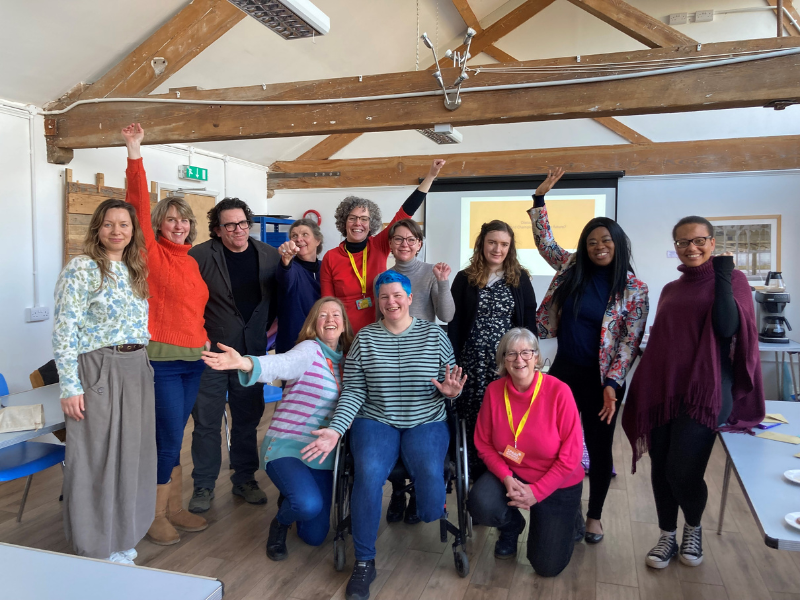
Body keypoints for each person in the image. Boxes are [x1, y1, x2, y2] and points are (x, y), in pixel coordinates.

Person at [301, 270, 466, 600]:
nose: (391, 302)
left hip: (425, 420)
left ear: (409, 299)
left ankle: (436, 509)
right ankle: (364, 561)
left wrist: (451, 393)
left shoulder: (435, 337)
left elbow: (450, 385)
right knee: (369, 473)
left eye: (397, 295)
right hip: (376, 419)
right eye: (384, 297)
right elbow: (353, 391)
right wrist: (336, 429)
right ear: (378, 302)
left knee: (431, 492)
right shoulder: (365, 338)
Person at [622, 216, 765, 569]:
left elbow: (727, 325)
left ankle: (693, 528)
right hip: (665, 388)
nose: (691, 248)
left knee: (682, 470)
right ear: (676, 248)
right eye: (683, 242)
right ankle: (667, 534)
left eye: (699, 240)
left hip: (708, 391)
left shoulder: (734, 280)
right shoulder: (671, 289)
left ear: (712, 243)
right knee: (660, 466)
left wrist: (723, 272)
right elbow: (665, 341)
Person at [528, 168, 649, 544]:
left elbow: (629, 342)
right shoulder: (571, 268)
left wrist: (613, 384)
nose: (599, 246)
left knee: (598, 448)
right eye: (592, 241)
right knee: (555, 441)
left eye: (606, 241)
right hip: (564, 371)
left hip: (603, 384)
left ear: (617, 244)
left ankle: (594, 515)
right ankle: (559, 504)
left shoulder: (634, 289)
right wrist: (538, 200)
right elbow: (546, 243)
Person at [201, 297, 353, 561]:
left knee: (314, 537)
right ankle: (280, 523)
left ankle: (292, 498)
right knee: (307, 505)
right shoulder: (308, 350)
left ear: (344, 324)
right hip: (288, 445)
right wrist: (246, 363)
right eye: (322, 315)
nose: (330, 320)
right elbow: (281, 363)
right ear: (313, 324)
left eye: (336, 315)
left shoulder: (348, 361)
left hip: (321, 455)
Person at [121, 124, 211, 545]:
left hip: (193, 360)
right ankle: (156, 513)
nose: (178, 225)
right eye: (170, 219)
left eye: (183, 220)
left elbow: (193, 308)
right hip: (162, 361)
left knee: (177, 435)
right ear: (158, 225)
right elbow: (137, 205)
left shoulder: (191, 262)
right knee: (167, 436)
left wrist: (204, 336)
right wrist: (135, 152)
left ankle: (174, 505)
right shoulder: (150, 253)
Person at [52, 197, 154, 564]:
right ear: (97, 228)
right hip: (98, 366)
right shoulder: (81, 268)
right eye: (109, 224)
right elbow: (64, 329)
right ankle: (95, 544)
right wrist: (70, 386)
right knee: (96, 457)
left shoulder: (135, 268)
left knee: (133, 454)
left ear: (132, 230)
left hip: (137, 366)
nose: (116, 231)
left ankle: (123, 535)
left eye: (124, 225)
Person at [187, 197, 280, 513]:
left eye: (242, 223)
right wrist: (195, 338)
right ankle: (203, 485)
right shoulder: (198, 256)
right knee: (207, 422)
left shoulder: (268, 255)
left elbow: (276, 302)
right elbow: (186, 302)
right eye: (230, 225)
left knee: (247, 420)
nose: (238, 230)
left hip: (249, 354)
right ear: (217, 229)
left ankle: (244, 479)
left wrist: (268, 340)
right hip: (210, 355)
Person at [467, 328, 584, 576]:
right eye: (511, 354)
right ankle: (512, 526)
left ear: (537, 357)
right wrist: (506, 477)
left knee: (547, 567)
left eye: (526, 353)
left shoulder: (559, 392)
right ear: (503, 360)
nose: (519, 360)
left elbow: (570, 457)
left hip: (556, 480)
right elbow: (483, 443)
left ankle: (569, 516)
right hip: (513, 473)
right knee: (481, 504)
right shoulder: (494, 391)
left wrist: (537, 492)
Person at [375, 218, 455, 524]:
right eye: (398, 239)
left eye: (411, 239)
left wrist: (443, 282)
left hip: (422, 359)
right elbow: (379, 317)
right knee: (390, 421)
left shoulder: (432, 272)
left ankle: (417, 495)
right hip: (390, 362)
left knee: (417, 430)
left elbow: (446, 315)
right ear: (391, 244)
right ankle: (397, 493)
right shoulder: (383, 277)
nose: (404, 244)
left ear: (419, 243)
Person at [448, 220, 537, 479]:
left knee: (505, 417)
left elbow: (528, 324)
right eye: (492, 242)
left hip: (507, 364)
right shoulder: (464, 278)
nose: (498, 249)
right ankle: (472, 472)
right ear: (482, 244)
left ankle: (505, 471)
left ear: (510, 248)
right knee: (474, 416)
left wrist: (529, 359)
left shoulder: (520, 279)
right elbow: (453, 325)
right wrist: (453, 362)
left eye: (504, 244)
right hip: (471, 362)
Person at [321, 159, 446, 334]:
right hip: (346, 333)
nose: (358, 223)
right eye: (352, 218)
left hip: (380, 331)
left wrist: (431, 176)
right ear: (344, 222)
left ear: (371, 223)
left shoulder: (379, 244)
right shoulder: (331, 257)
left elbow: (405, 212)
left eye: (364, 219)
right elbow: (327, 302)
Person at [275, 218, 324, 353]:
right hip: (293, 345)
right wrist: (285, 260)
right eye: (294, 236)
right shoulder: (291, 267)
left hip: (322, 343)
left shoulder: (325, 268)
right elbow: (285, 276)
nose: (298, 239)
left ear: (317, 240)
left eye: (305, 234)